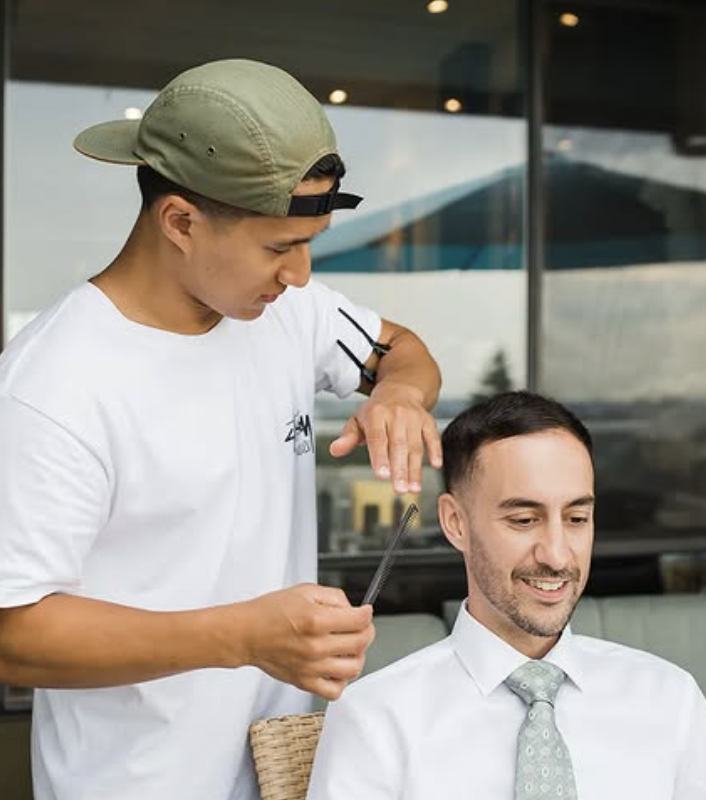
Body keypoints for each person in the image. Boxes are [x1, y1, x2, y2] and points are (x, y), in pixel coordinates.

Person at [0, 59, 442, 800]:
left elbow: (399, 348)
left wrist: (399, 392)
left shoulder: (285, 314)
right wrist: (242, 638)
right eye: (279, 248)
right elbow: (13, 635)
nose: (300, 275)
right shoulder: (53, 385)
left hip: (291, 773)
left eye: (310, 244)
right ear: (180, 221)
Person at [307, 390, 706, 800]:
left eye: (576, 518)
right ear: (455, 522)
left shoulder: (671, 700)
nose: (556, 554)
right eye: (523, 519)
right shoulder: (375, 719)